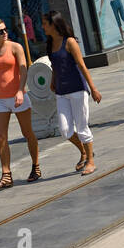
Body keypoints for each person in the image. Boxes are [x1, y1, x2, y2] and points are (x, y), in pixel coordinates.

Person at [0, 18, 40, 190]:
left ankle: (36, 166)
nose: (5, 33)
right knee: (1, 138)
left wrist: (21, 90)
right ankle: (6, 175)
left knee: (27, 133)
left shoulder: (15, 47)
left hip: (17, 97)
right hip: (1, 100)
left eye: (5, 29)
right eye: (0, 31)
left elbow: (23, 69)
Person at [44, 10, 101, 175]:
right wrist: (53, 81)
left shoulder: (69, 42)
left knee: (82, 127)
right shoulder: (49, 43)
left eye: (45, 23)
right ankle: (83, 151)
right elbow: (54, 65)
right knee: (65, 130)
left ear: (54, 24)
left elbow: (82, 66)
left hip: (77, 89)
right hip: (61, 92)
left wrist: (93, 88)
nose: (42, 27)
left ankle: (91, 161)